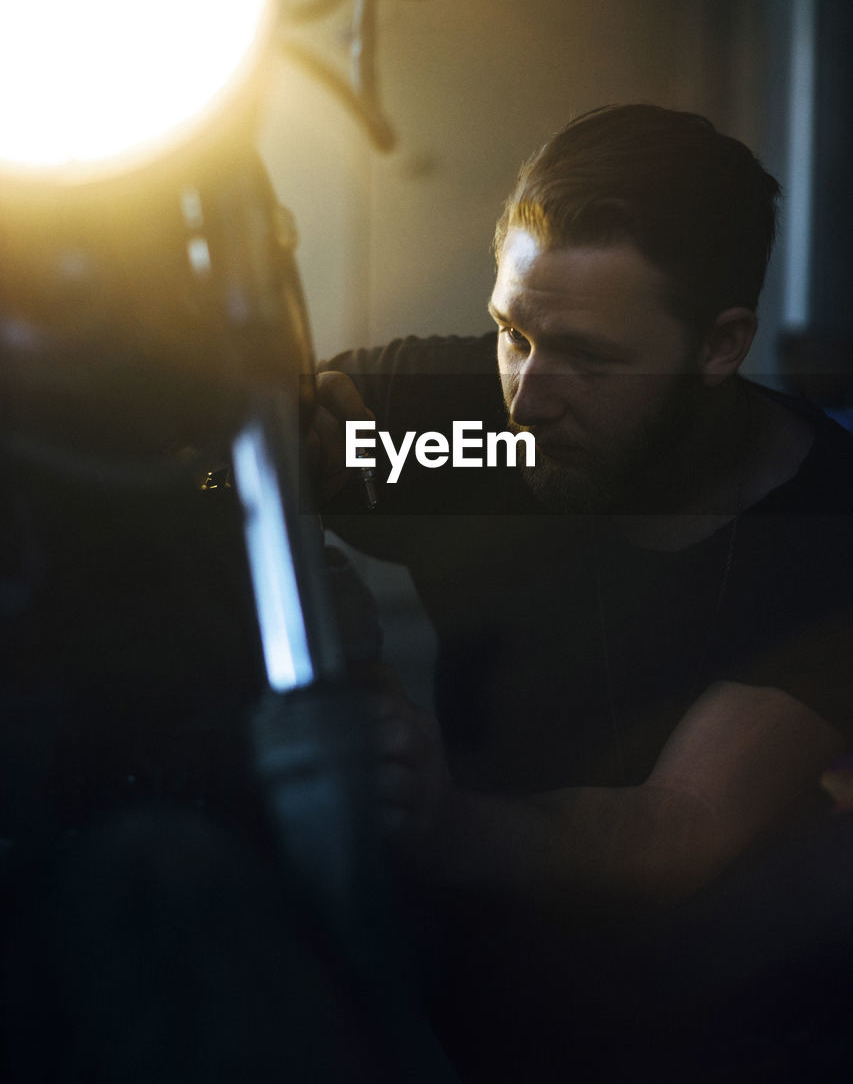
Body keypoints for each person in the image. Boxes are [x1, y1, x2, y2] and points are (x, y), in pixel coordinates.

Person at [313, 105, 853, 1078]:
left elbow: (680, 823)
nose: (531, 395)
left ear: (718, 346)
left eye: (592, 358)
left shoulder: (822, 530)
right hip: (469, 981)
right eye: (513, 332)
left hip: (724, 1015)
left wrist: (440, 823)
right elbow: (267, 447)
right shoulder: (467, 425)